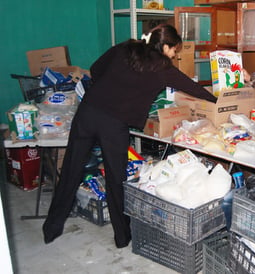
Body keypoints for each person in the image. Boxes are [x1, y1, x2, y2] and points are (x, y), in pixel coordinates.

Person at [42, 24, 217, 248]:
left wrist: (113, 86)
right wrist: (218, 102)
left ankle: (51, 229)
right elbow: (192, 87)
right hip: (114, 123)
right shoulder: (163, 68)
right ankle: (122, 237)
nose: (174, 55)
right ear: (165, 46)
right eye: (174, 50)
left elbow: (96, 69)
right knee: (116, 179)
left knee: (70, 170)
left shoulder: (126, 48)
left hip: (88, 112)